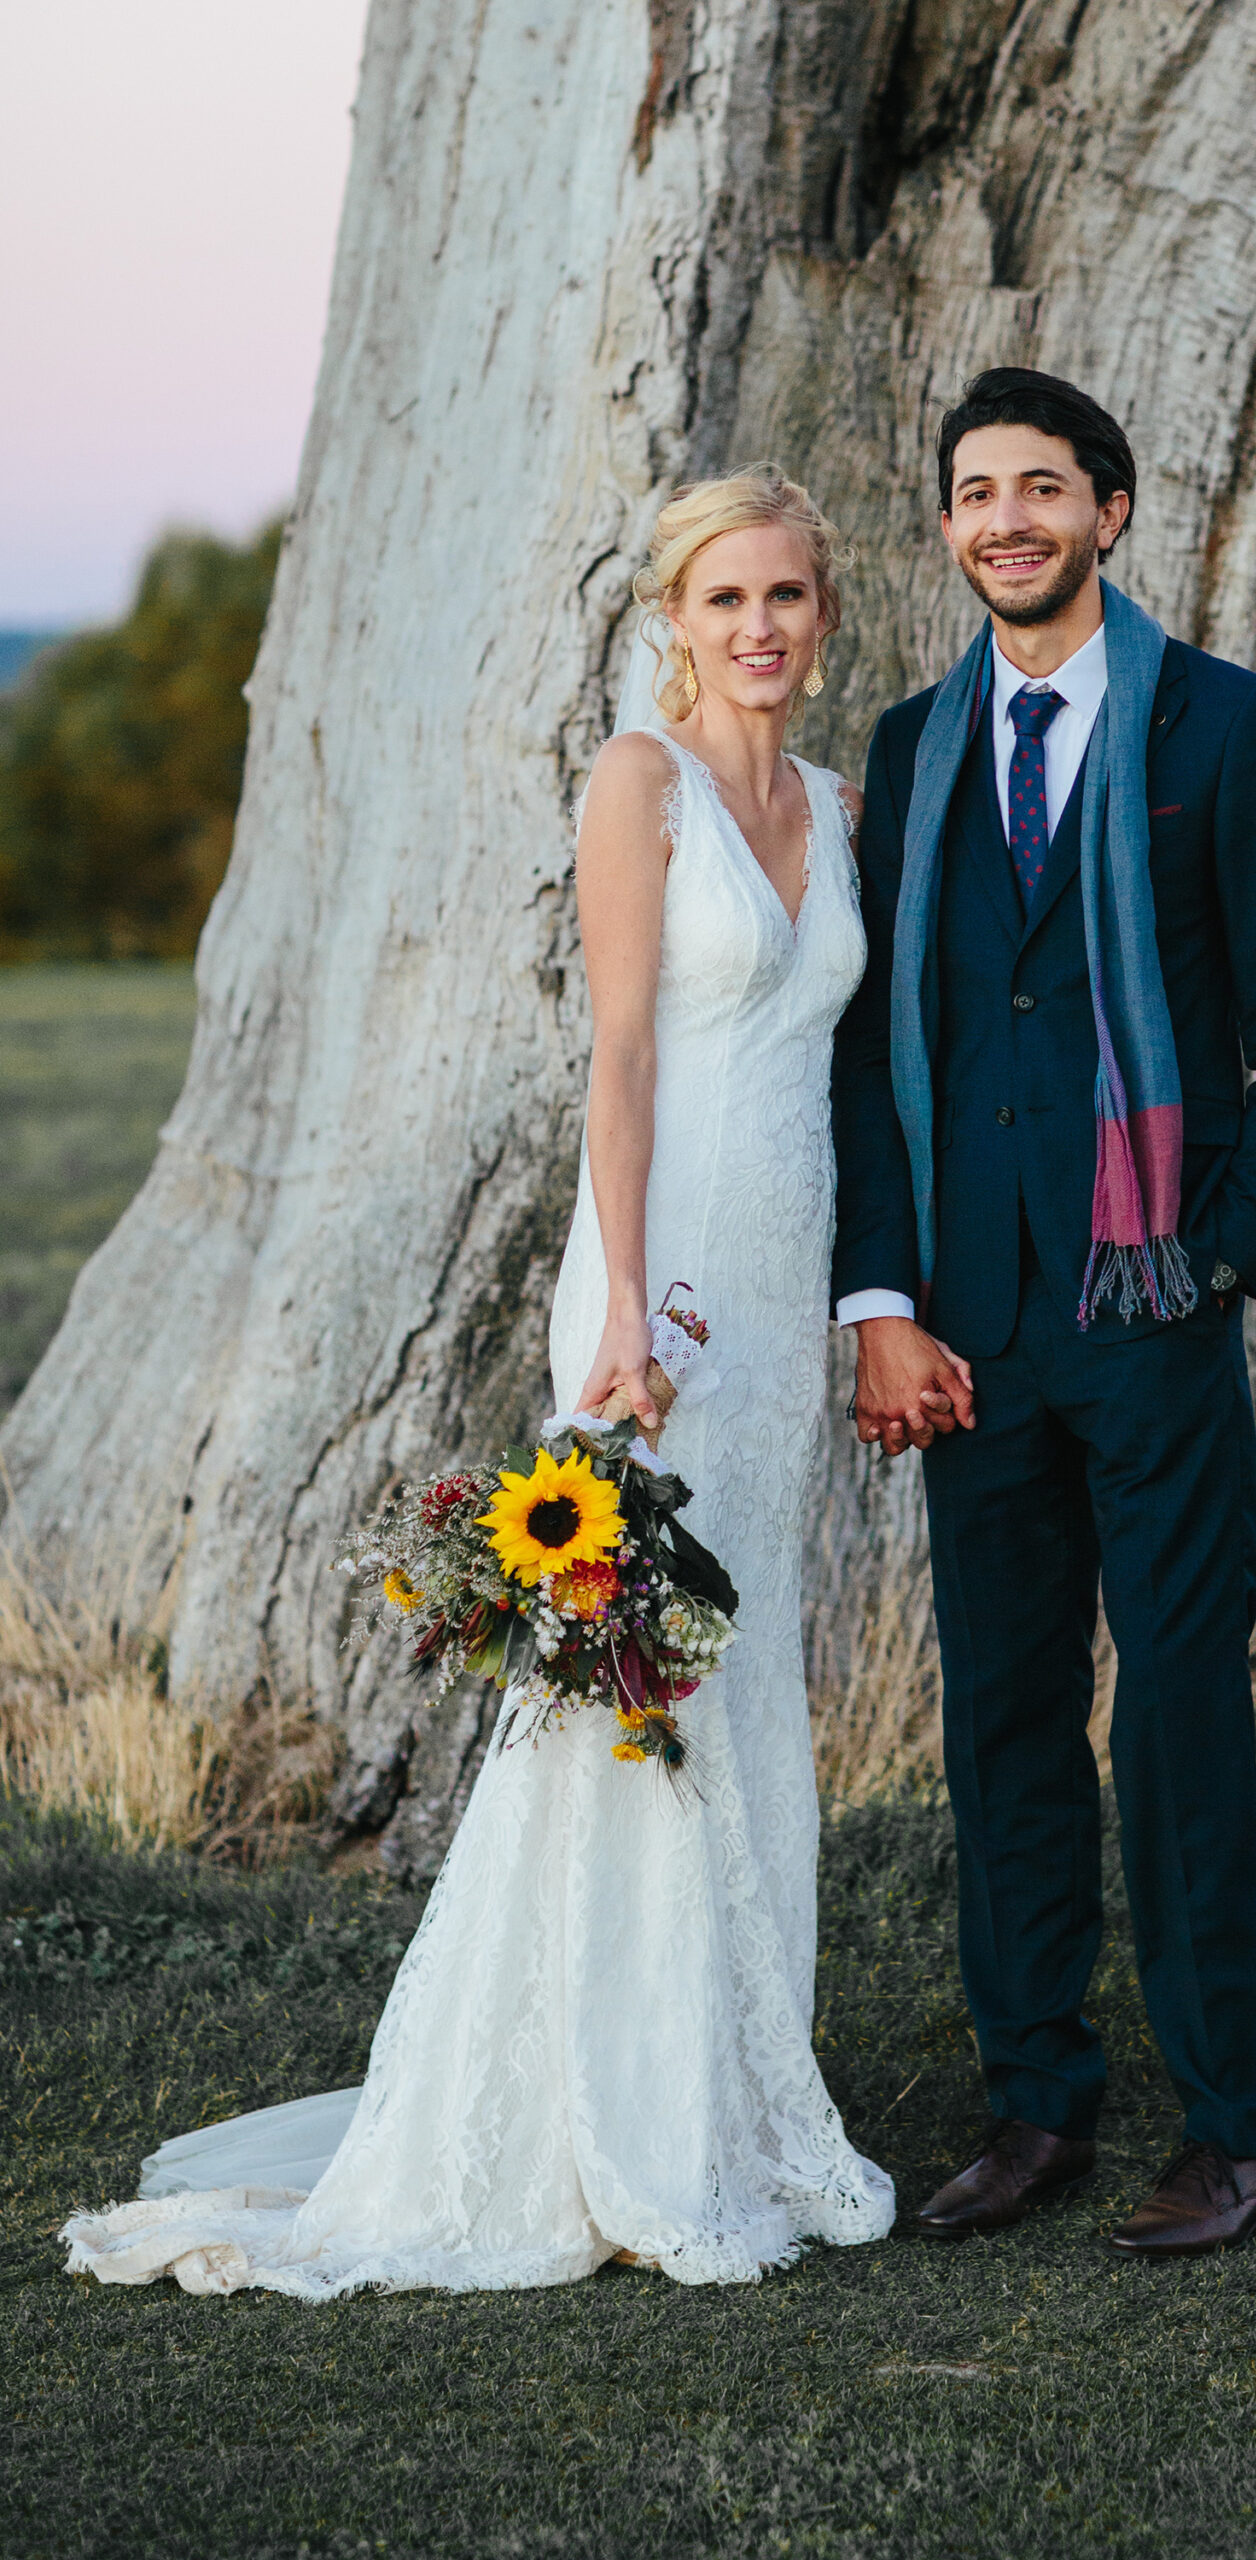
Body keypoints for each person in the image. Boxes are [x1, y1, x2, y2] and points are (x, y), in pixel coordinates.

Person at [62, 467, 897, 2297]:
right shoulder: (637, 783)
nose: (758, 628)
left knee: (744, 1681)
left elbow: (839, 1078)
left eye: (788, 598)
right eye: (725, 599)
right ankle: (586, 2121)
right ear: (672, 618)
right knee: (628, 1684)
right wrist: (618, 1308)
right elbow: (616, 1054)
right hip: (657, 1277)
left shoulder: (839, 808)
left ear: (826, 614)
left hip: (780, 1283)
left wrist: (851, 1304)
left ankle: (737, 2104)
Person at [831, 368, 1256, 2259]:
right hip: (967, 1327)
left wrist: (1216, 1261)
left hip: (1153, 1306)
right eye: (976, 491)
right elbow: (878, 1052)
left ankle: (1234, 2122)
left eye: (1044, 486)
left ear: (1111, 514)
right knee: (1004, 1719)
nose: (1009, 520)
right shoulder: (908, 749)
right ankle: (1035, 2095)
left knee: (1185, 1717)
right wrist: (881, 1299)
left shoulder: (1224, 726)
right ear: (951, 527)